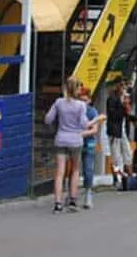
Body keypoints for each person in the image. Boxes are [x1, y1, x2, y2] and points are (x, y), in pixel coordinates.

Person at [45, 77, 91, 213]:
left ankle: (58, 204)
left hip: (61, 139)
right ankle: (72, 201)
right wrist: (94, 121)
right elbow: (84, 124)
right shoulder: (81, 106)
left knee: (59, 172)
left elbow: (48, 119)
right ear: (76, 90)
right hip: (75, 141)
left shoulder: (59, 103)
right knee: (75, 170)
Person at [105, 80, 136, 190]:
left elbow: (125, 115)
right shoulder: (112, 99)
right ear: (118, 87)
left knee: (128, 153)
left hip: (122, 131)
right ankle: (117, 180)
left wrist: (134, 118)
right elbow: (113, 115)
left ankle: (130, 179)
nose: (124, 90)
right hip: (114, 131)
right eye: (123, 87)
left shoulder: (123, 99)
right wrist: (123, 107)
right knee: (116, 157)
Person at [78, 86, 106, 209]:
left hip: (88, 144)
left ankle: (88, 192)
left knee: (88, 170)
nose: (82, 103)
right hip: (75, 144)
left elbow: (94, 130)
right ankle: (71, 194)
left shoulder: (92, 111)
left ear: (89, 100)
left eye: (85, 101)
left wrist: (80, 134)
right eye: (80, 100)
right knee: (72, 170)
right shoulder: (76, 110)